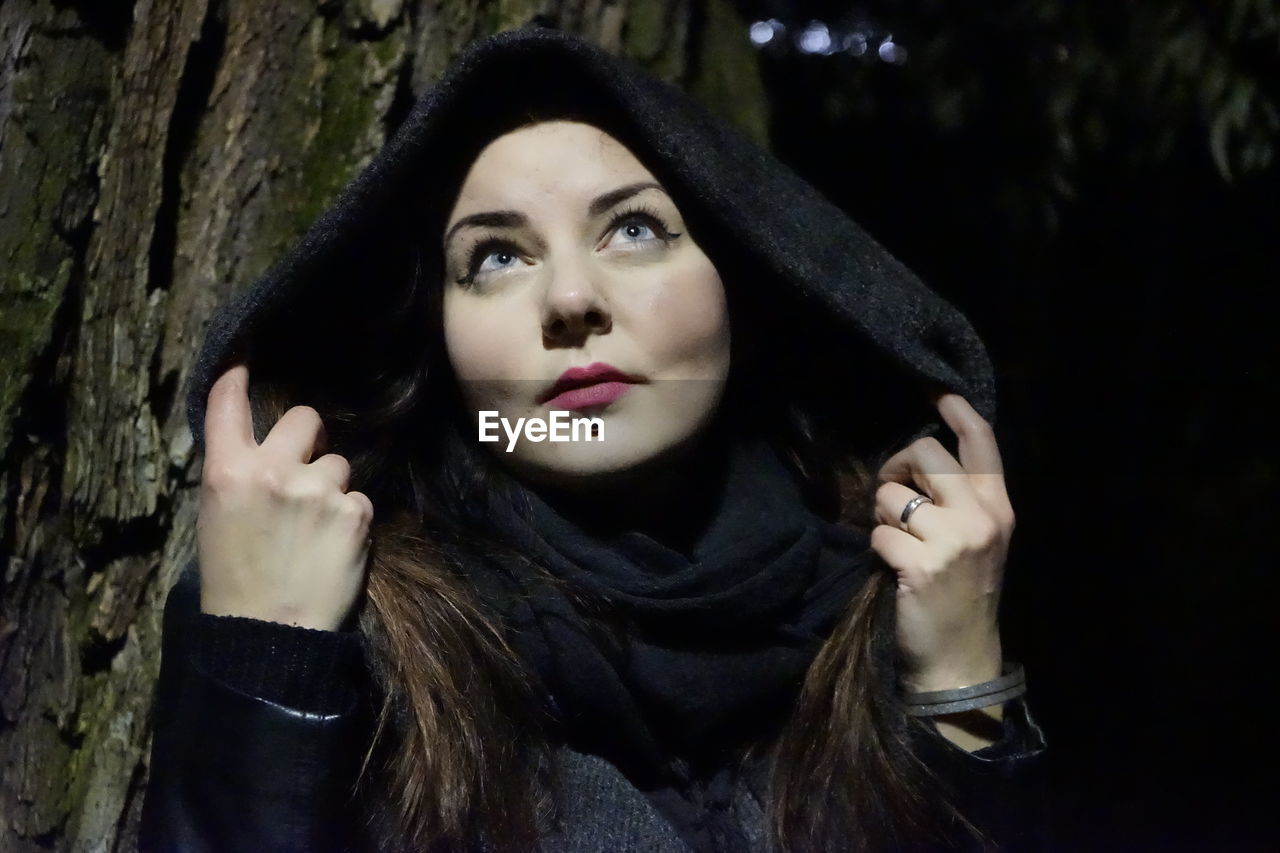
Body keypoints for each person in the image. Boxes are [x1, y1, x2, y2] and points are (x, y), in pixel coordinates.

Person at [139, 22, 1049, 853]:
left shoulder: (879, 607)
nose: (572, 301)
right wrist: (265, 661)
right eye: (495, 257)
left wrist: (962, 684)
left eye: (634, 229)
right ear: (439, 344)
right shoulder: (363, 633)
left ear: (742, 280)